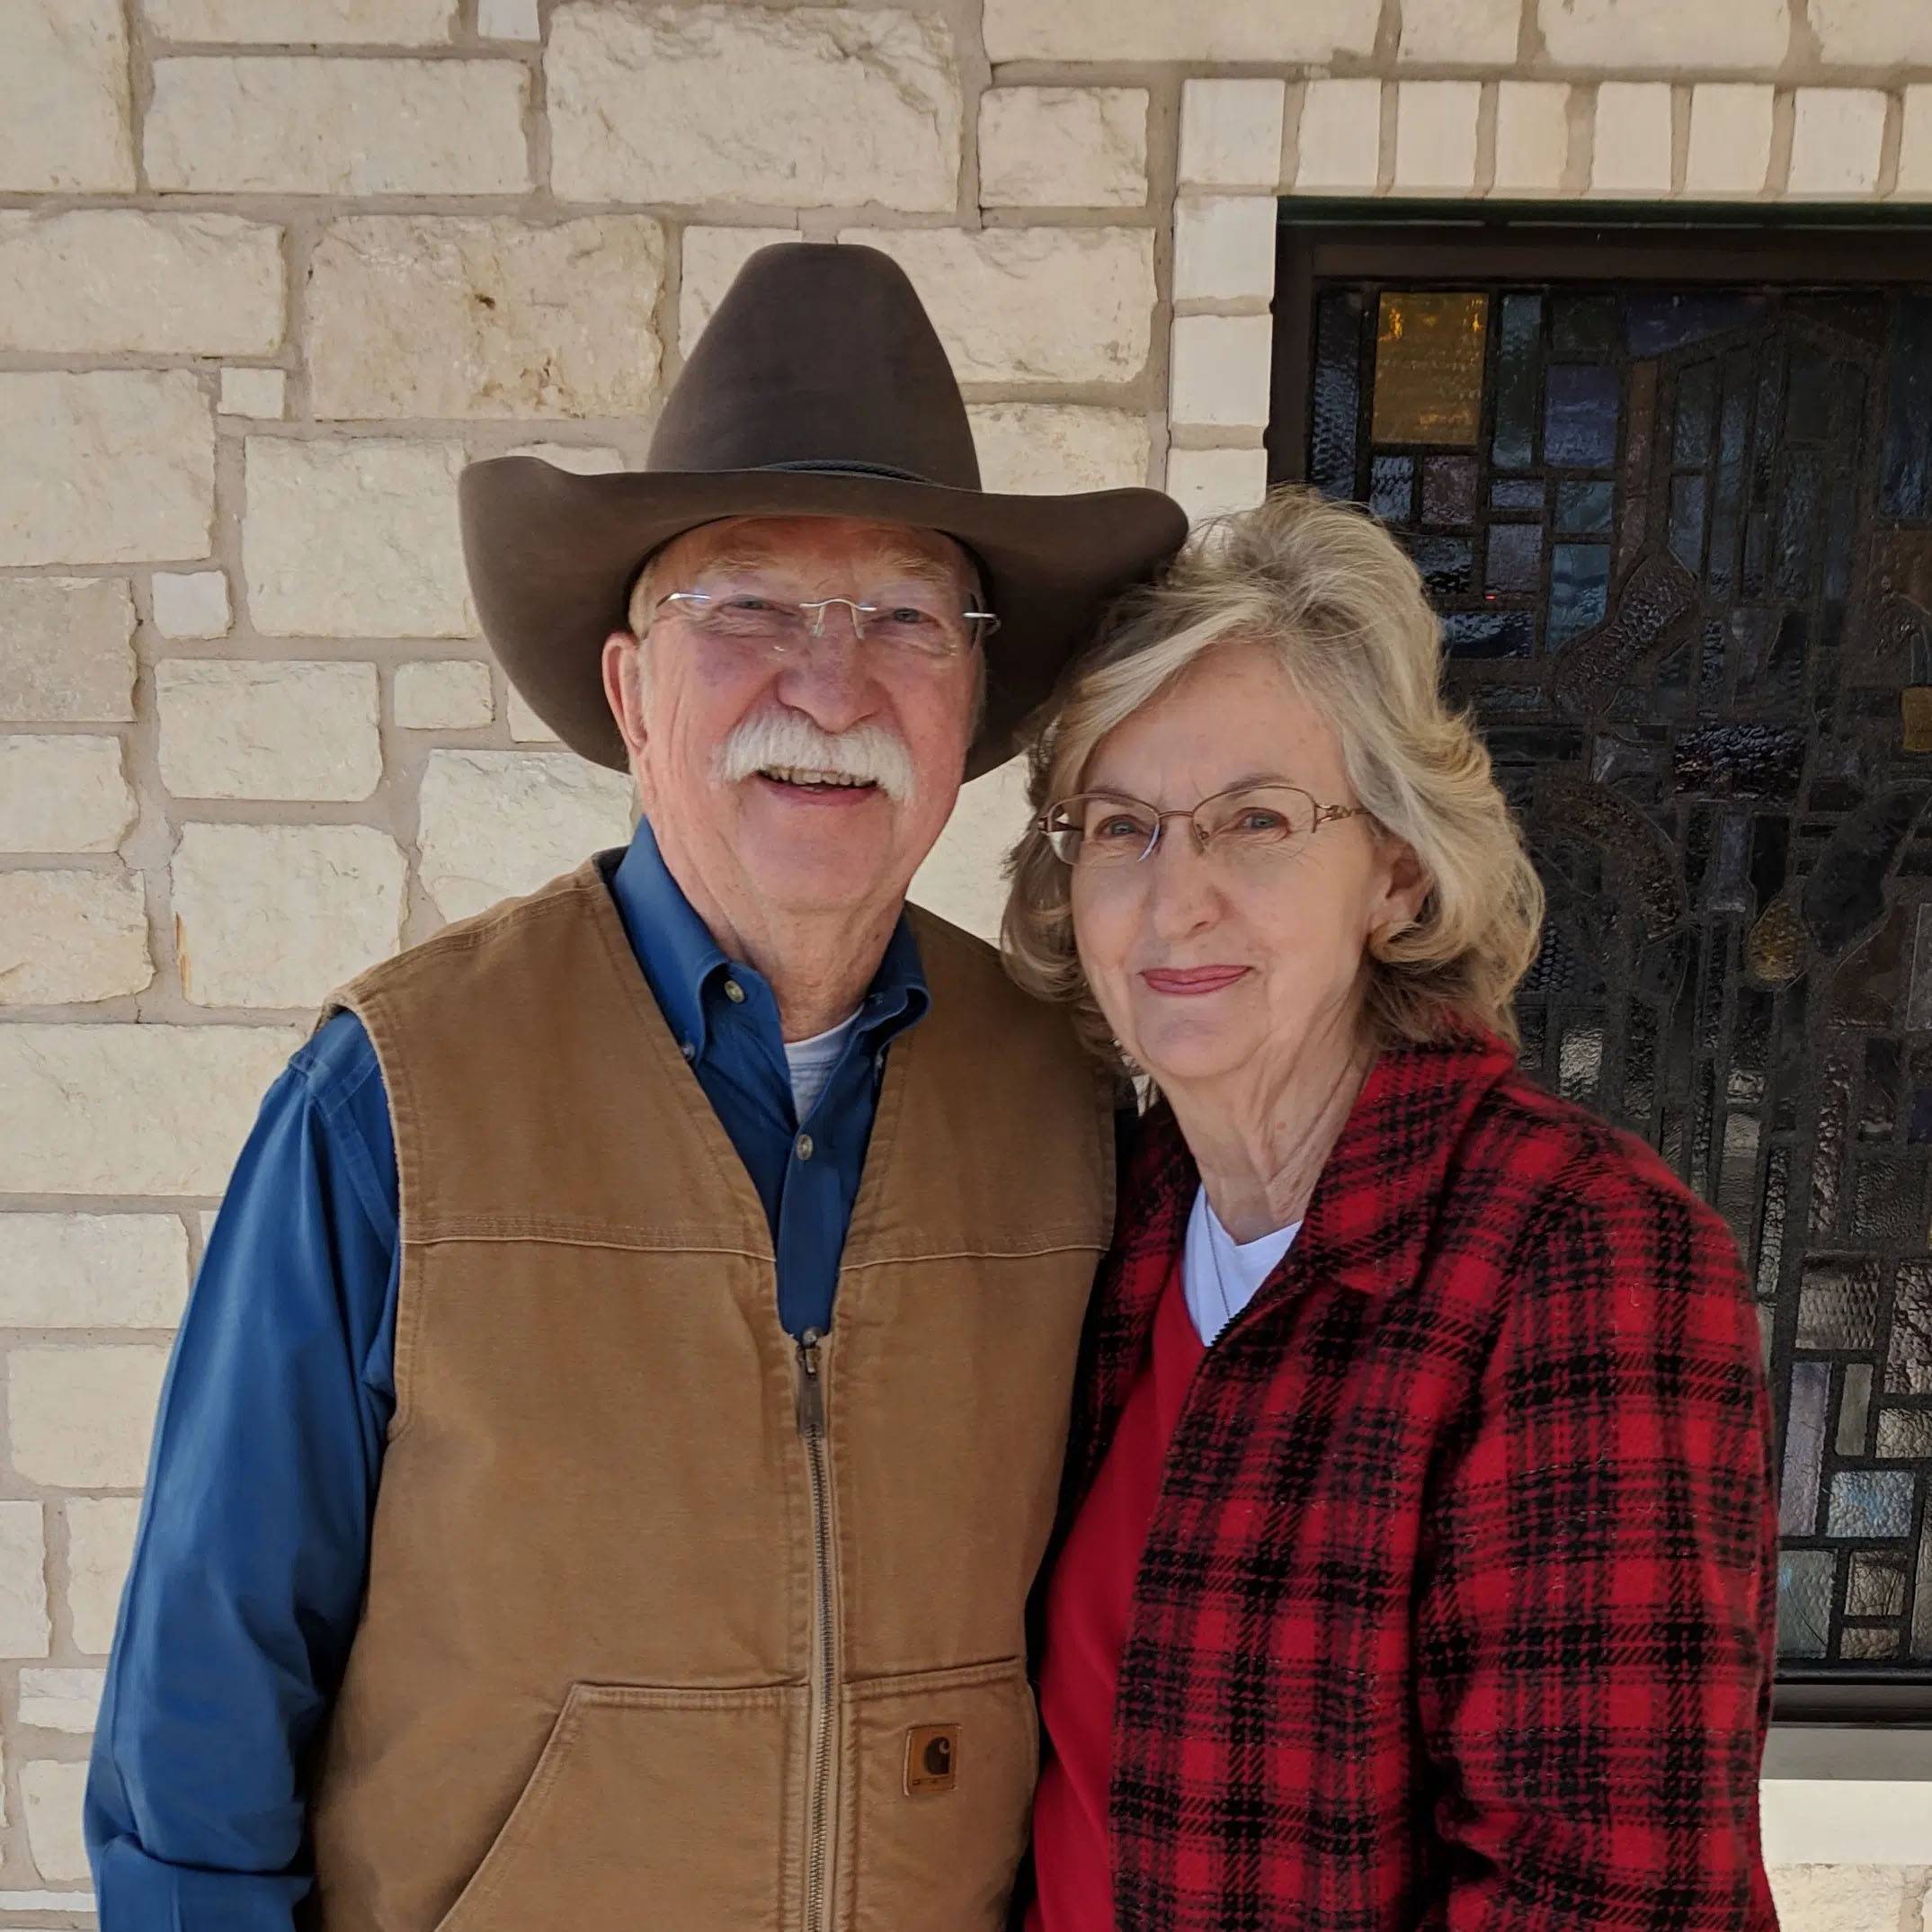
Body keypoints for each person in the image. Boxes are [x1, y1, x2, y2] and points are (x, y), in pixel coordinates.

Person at [85, 244, 1186, 1931]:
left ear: (968, 705)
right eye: (743, 606)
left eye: (901, 613)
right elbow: (205, 1694)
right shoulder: (398, 1094)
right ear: (629, 689)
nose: (828, 681)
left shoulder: (1071, 1098)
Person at [1002, 488, 1779, 1931]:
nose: (1174, 902)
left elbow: (1604, 1897)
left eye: (1255, 820)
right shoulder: (1116, 1223)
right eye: (1120, 825)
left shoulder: (1577, 1255)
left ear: (1396, 870)